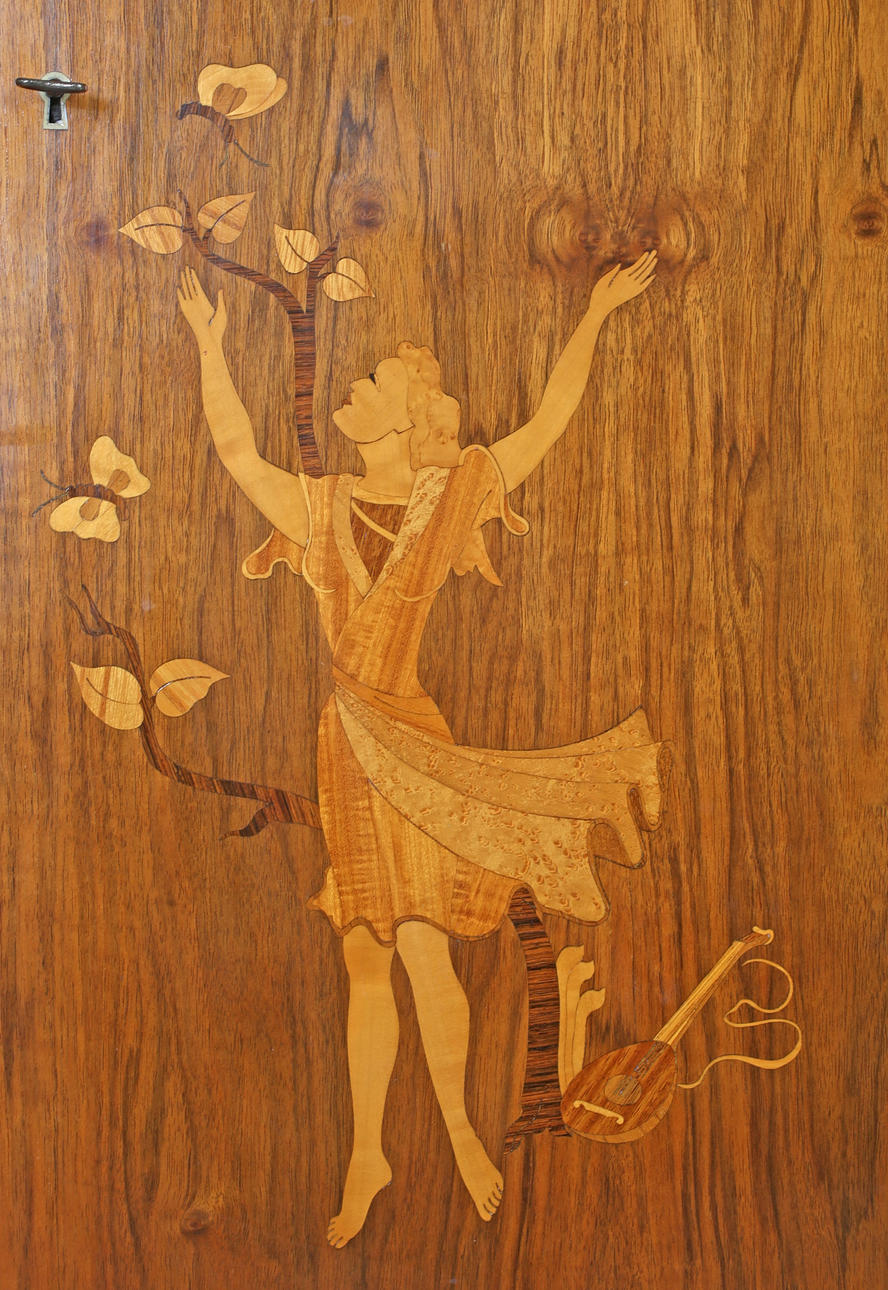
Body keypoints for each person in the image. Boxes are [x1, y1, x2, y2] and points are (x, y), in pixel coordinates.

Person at [177, 250, 663, 1247]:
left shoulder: (453, 495)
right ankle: (369, 1153)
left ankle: (461, 1134)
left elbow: (548, 421)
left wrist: (595, 316)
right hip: (346, 749)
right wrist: (208, 346)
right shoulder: (320, 509)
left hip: (413, 742)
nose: (352, 388)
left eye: (371, 382)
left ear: (405, 419)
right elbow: (236, 454)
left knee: (425, 949)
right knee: (365, 955)